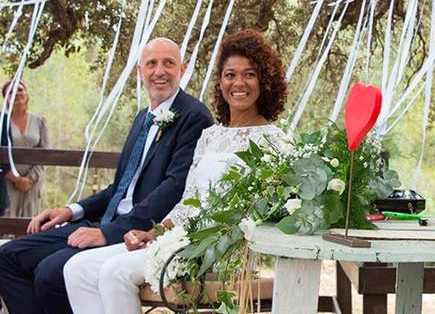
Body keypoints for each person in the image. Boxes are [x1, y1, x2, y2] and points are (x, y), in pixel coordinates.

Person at [63, 29, 288, 314]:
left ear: (264, 81)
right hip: (178, 238)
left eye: (250, 74)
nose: (238, 83)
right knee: (77, 269)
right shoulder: (210, 136)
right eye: (230, 74)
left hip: (221, 250)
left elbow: (263, 214)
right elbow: (188, 201)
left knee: (114, 272)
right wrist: (154, 232)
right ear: (220, 82)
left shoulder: (274, 141)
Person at [0, 37, 212, 314]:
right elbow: (119, 188)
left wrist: (106, 233)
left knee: (50, 272)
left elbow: (174, 189)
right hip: (102, 221)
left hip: (139, 233)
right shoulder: (142, 118)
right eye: (151, 63)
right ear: (140, 72)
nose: (159, 71)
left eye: (168, 63)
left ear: (182, 70)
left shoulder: (193, 116)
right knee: (7, 257)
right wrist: (70, 210)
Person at [1, 80, 51, 218]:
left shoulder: (39, 121)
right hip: (6, 180)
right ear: (5, 97)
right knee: (6, 220)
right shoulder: (1, 122)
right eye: (11, 92)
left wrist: (30, 179)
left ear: (26, 94)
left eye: (20, 89)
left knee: (29, 224)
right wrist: (16, 179)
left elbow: (46, 153)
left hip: (32, 182)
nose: (16, 93)